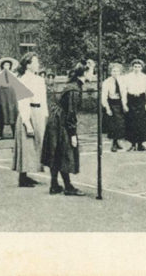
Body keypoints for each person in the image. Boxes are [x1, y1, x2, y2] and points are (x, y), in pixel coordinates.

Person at [40, 62, 87, 196]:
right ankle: (67, 186)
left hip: (57, 121)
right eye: (91, 71)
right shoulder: (74, 89)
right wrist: (72, 134)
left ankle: (55, 185)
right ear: (84, 73)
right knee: (65, 152)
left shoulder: (74, 86)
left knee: (57, 152)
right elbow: (71, 113)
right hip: (61, 123)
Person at [13, 53, 47, 188]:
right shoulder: (23, 80)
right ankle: (22, 178)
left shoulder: (39, 79)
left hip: (39, 113)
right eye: (35, 62)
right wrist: (27, 123)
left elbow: (43, 99)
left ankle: (28, 175)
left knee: (37, 145)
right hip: (28, 113)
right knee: (26, 145)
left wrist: (45, 116)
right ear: (28, 64)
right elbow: (23, 102)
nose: (38, 64)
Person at [124, 59, 146, 151]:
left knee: (141, 122)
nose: (137, 68)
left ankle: (140, 144)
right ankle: (133, 144)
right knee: (131, 122)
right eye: (135, 67)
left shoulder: (145, 77)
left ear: (141, 67)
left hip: (141, 100)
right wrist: (125, 103)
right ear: (132, 67)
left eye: (139, 67)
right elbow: (124, 90)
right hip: (131, 100)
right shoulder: (127, 77)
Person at [101, 62, 128, 152]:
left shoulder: (123, 81)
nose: (115, 73)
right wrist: (107, 108)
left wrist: (124, 105)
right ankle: (114, 144)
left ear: (120, 72)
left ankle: (117, 142)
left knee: (121, 124)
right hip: (112, 103)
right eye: (113, 71)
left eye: (117, 71)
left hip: (120, 103)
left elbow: (124, 94)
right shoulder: (107, 82)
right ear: (110, 72)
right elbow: (104, 97)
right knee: (114, 125)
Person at [0, 57, 19, 140]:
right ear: (2, 66)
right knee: (2, 112)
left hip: (11, 95)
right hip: (1, 95)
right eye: (5, 65)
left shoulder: (14, 75)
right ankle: (1, 134)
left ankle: (14, 133)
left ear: (10, 66)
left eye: (8, 65)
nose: (6, 66)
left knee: (12, 112)